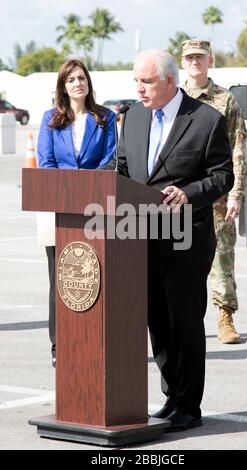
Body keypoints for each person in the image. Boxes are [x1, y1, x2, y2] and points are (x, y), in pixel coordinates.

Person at [112, 49, 234, 431]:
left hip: (186, 239)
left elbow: (222, 176)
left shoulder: (206, 120)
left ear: (168, 81)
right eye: (136, 81)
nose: (139, 89)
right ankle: (171, 395)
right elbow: (123, 169)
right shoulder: (132, 118)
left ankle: (189, 405)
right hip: (140, 237)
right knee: (158, 323)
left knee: (184, 323)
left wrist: (189, 192)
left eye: (145, 82)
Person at [37, 59, 116, 367]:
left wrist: (88, 189)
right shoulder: (50, 119)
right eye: (71, 80)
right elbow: (47, 163)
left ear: (88, 82)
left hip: (97, 211)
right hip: (61, 212)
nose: (77, 84)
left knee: (95, 278)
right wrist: (71, 192)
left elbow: (110, 162)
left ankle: (95, 338)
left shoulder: (105, 117)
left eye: (81, 78)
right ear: (63, 86)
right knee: (61, 279)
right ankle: (59, 345)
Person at [181, 39, 247, 344]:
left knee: (222, 257)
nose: (195, 62)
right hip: (180, 194)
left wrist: (236, 194)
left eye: (200, 57)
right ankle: (182, 319)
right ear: (183, 63)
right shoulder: (174, 98)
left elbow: (238, 148)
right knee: (180, 259)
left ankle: (225, 316)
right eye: (190, 57)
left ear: (210, 61)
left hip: (218, 193)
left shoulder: (225, 100)